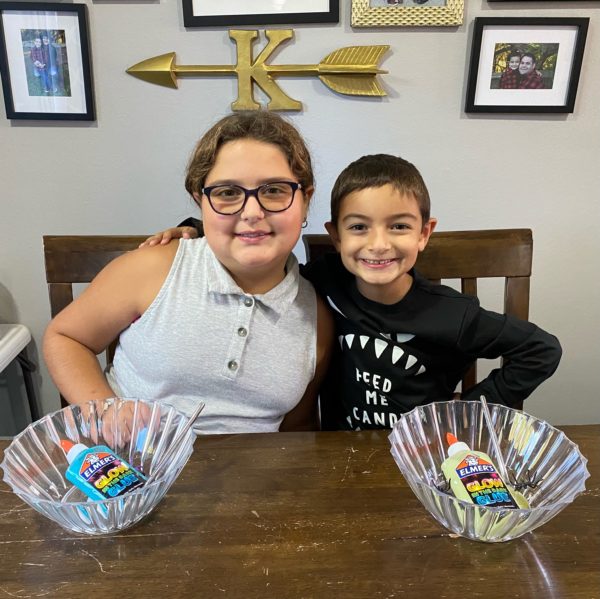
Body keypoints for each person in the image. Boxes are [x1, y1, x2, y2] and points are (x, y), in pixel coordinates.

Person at [145, 154, 562, 431]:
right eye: (359, 227)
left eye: (399, 226)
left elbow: (541, 349)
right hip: (333, 458)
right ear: (336, 236)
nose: (378, 244)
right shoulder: (323, 280)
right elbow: (257, 256)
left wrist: (467, 413)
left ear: (424, 233)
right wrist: (195, 230)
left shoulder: (455, 315)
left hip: (422, 459)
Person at [43, 111, 334, 434]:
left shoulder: (317, 317)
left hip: (254, 465)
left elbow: (297, 426)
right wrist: (105, 409)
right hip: (134, 457)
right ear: (200, 202)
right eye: (227, 193)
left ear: (305, 200)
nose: (252, 212)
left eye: (274, 190)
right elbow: (65, 337)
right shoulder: (152, 269)